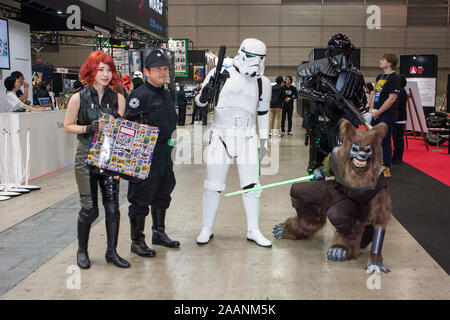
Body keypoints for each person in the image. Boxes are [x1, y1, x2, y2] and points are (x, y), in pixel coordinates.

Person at [195, 38, 272, 247]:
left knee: (252, 187)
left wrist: (264, 142)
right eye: (251, 57)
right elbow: (200, 102)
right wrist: (206, 92)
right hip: (220, 135)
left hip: (248, 137)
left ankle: (253, 229)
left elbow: (263, 112)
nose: (255, 63)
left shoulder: (262, 83)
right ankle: (207, 227)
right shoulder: (220, 74)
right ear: (241, 53)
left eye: (260, 59)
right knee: (213, 185)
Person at [63, 51, 129, 269]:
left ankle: (112, 252)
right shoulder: (78, 97)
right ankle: (82, 250)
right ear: (91, 71)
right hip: (85, 158)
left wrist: (120, 162)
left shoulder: (118, 98)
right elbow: (67, 126)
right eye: (101, 69)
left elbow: (120, 132)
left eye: (109, 69)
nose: (106, 74)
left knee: (113, 208)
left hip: (109, 158)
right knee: (90, 209)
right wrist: (87, 128)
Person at [125, 50, 180, 259]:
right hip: (146, 155)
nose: (163, 73)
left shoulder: (166, 93)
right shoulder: (139, 97)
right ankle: (137, 241)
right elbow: (128, 128)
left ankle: (158, 232)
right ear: (146, 72)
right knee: (140, 198)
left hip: (165, 153)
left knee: (163, 192)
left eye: (165, 69)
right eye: (157, 69)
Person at [297, 33, 367, 173]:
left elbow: (361, 101)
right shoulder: (319, 69)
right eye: (337, 52)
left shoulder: (355, 75)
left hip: (343, 123)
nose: (341, 56)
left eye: (344, 52)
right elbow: (303, 89)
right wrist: (323, 96)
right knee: (315, 165)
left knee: (343, 163)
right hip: (321, 121)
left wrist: (355, 110)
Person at [370, 53, 401, 178]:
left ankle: (386, 166)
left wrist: (378, 112)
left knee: (386, 140)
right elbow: (375, 94)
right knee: (373, 140)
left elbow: (392, 99)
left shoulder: (394, 78)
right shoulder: (381, 77)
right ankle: (375, 164)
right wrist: (371, 110)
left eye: (383, 60)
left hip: (387, 115)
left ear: (389, 63)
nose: (380, 61)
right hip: (376, 114)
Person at [392, 75, 407, 165]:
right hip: (400, 118)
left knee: (398, 139)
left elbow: (397, 105)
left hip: (399, 118)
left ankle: (397, 158)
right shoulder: (402, 90)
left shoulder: (401, 91)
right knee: (397, 139)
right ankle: (397, 157)